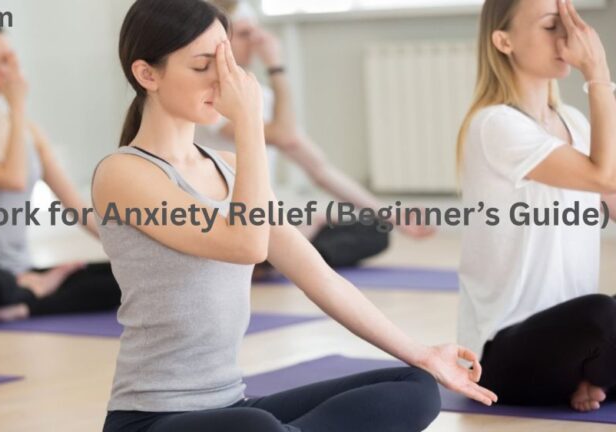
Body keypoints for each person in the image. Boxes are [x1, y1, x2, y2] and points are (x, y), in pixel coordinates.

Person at [93, 1, 497, 431]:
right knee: (257, 427)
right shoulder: (123, 173)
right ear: (147, 74)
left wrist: (421, 352)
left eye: (227, 61)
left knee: (414, 386)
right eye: (202, 66)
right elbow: (247, 244)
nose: (225, 80)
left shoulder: (230, 165)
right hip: (149, 420)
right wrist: (250, 120)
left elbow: (319, 277)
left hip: (230, 406)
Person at [196, 0, 436, 275]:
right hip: (224, 218)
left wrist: (393, 215)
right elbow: (284, 136)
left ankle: (278, 256)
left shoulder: (260, 94)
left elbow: (319, 168)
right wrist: (276, 67)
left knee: (373, 229)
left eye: (257, 32)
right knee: (309, 220)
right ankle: (275, 255)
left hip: (263, 214)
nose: (258, 41)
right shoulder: (212, 96)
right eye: (245, 34)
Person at [457, 0, 616, 412]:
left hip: (571, 342)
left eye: (567, 25)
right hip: (503, 354)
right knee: (603, 315)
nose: (567, 37)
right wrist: (598, 74)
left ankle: (590, 376)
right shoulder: (495, 125)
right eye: (551, 26)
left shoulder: (576, 124)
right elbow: (605, 177)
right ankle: (594, 373)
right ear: (503, 40)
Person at [0, 22, 120, 325]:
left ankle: (25, 303)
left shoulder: (29, 131)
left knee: (126, 276)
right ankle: (35, 290)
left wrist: (130, 249)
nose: (2, 71)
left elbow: (77, 206)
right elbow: (13, 179)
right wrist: (17, 106)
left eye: (7, 60)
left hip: (23, 269)